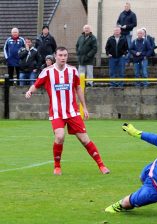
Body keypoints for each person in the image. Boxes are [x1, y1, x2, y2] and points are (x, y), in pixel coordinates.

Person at [25, 47, 110, 175]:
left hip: (72, 112)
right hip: (56, 112)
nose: (63, 57)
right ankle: (57, 167)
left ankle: (101, 166)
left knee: (85, 139)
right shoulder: (47, 72)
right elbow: (36, 84)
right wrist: (30, 91)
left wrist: (84, 107)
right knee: (59, 136)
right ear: (55, 56)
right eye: (60, 55)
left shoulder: (72, 70)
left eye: (65, 55)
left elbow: (78, 88)